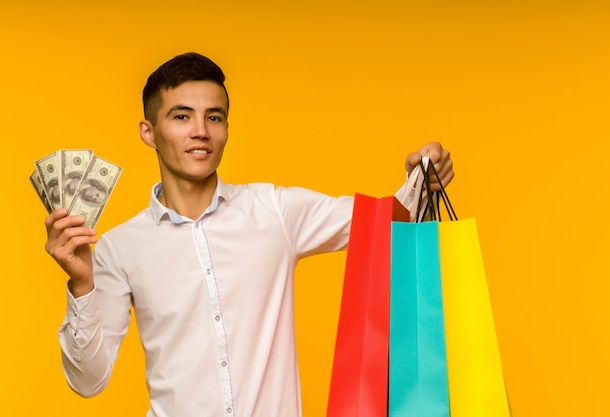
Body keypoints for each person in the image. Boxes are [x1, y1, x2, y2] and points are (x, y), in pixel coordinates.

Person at [44, 52, 454, 417]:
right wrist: (82, 285)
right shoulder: (120, 247)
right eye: (182, 116)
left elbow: (383, 221)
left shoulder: (273, 210)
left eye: (214, 117)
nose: (200, 131)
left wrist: (422, 176)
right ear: (149, 131)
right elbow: (88, 381)